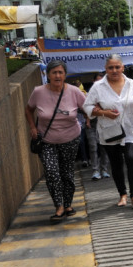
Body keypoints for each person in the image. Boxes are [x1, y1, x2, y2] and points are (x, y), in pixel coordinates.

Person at [25, 60, 86, 223]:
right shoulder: (38, 92)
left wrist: (97, 114)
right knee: (52, 173)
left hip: (70, 139)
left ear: (65, 75)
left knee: (67, 173)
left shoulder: (74, 92)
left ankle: (68, 204)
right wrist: (32, 126)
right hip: (46, 140)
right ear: (48, 74)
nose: (57, 76)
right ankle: (58, 206)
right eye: (54, 72)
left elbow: (88, 107)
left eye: (60, 72)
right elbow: (28, 109)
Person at [84, 55, 133, 209]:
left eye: (117, 67)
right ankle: (122, 194)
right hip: (110, 132)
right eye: (111, 67)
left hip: (131, 130)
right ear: (106, 69)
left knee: (132, 158)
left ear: (123, 67)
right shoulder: (98, 87)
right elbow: (87, 107)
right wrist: (104, 112)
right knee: (116, 163)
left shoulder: (132, 84)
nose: (114, 70)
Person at [86, 72, 111, 180]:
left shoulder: (108, 94)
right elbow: (85, 108)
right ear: (93, 81)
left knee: (104, 148)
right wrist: (87, 120)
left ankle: (104, 169)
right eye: (97, 81)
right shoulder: (89, 94)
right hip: (91, 124)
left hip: (104, 123)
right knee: (93, 147)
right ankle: (95, 170)